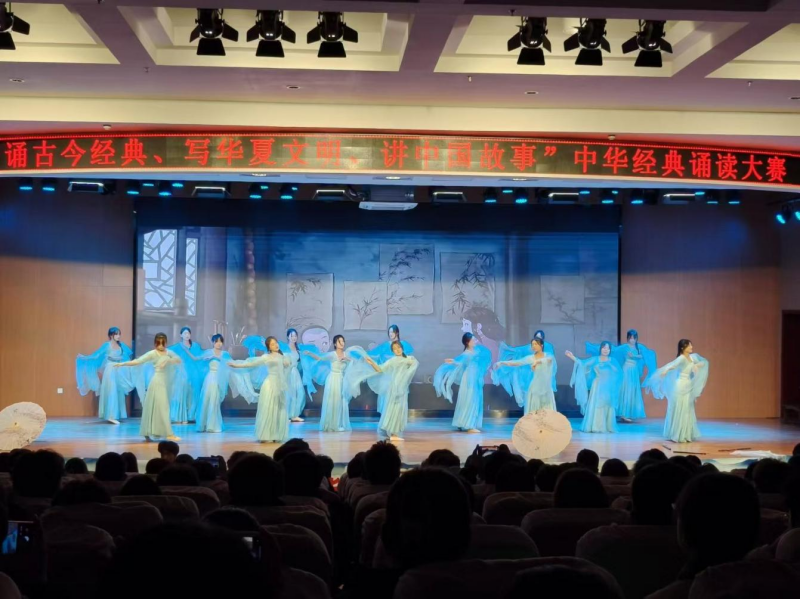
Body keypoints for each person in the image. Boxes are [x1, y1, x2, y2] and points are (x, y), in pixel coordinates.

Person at [115, 333, 182, 442]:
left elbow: (178, 359)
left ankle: (152, 432)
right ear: (155, 343)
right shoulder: (153, 353)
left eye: (163, 343)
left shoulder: (168, 352)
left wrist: (168, 360)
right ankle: (169, 434)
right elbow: (138, 361)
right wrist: (122, 364)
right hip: (157, 382)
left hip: (164, 382)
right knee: (161, 407)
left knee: (159, 408)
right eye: (158, 343)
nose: (161, 346)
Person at [644, 339, 709, 443]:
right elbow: (673, 365)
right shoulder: (682, 358)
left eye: (691, 345)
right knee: (680, 408)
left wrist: (696, 365)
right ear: (683, 347)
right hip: (680, 386)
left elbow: (704, 362)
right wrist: (665, 371)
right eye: (689, 345)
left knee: (687, 409)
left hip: (688, 385)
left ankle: (686, 434)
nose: (691, 347)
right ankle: (677, 434)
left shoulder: (692, 357)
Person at [230, 336, 292, 443]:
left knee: (278, 410)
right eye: (272, 344)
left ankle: (276, 434)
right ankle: (267, 435)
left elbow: (287, 367)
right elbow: (251, 363)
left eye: (276, 343)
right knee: (269, 409)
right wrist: (236, 365)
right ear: (269, 347)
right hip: (270, 385)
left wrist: (287, 363)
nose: (275, 345)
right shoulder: (266, 357)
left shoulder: (282, 356)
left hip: (279, 386)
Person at [305, 335, 372, 433]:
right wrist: (310, 353)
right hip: (333, 379)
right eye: (339, 341)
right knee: (333, 401)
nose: (342, 343)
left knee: (342, 401)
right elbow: (320, 358)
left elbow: (356, 363)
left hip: (342, 379)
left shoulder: (346, 354)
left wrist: (348, 360)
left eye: (343, 341)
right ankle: (332, 424)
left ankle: (340, 423)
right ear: (335, 344)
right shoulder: (332, 354)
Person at [587, 330, 656, 423]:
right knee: (626, 389)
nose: (632, 340)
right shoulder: (625, 347)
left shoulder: (638, 347)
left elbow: (643, 355)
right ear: (628, 338)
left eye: (634, 338)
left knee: (632, 390)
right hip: (627, 369)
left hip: (634, 371)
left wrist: (635, 356)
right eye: (630, 338)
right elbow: (614, 350)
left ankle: (629, 413)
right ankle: (624, 414)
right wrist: (601, 349)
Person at [75, 326, 136, 424]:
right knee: (111, 390)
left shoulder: (121, 345)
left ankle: (116, 414)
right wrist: (84, 357)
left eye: (119, 334)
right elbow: (96, 355)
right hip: (110, 370)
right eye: (116, 334)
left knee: (118, 391)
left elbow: (125, 358)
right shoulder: (107, 345)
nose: (118, 336)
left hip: (118, 370)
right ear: (111, 335)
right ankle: (111, 415)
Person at [434, 333, 492, 433]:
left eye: (474, 339)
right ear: (467, 342)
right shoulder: (466, 354)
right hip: (469, 378)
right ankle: (469, 425)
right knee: (470, 399)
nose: (475, 341)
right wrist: (453, 362)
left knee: (471, 399)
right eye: (472, 340)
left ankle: (462, 422)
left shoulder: (477, 351)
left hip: (475, 377)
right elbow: (461, 363)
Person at [364, 341, 419, 441]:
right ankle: (393, 433)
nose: (397, 350)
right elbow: (380, 369)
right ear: (392, 351)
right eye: (394, 349)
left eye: (398, 347)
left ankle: (394, 432)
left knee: (400, 408)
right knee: (394, 408)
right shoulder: (392, 361)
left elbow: (414, 365)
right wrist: (371, 363)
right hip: (394, 387)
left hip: (403, 387)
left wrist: (409, 365)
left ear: (402, 348)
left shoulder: (409, 359)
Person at [566, 341, 622, 433]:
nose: (606, 350)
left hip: (608, 387)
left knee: (607, 404)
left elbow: (618, 373)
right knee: (598, 404)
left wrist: (609, 365)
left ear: (610, 350)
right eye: (604, 348)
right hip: (598, 385)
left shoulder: (613, 360)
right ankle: (596, 426)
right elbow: (583, 363)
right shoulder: (595, 359)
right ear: (600, 349)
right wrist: (572, 357)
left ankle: (608, 426)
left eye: (608, 348)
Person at [493, 337, 556, 414]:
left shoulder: (548, 355)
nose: (533, 346)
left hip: (546, 388)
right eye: (532, 344)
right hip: (535, 387)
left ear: (541, 345)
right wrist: (502, 362)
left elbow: (549, 360)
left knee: (547, 411)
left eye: (536, 344)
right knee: (534, 411)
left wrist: (537, 362)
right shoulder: (531, 358)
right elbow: (517, 362)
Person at [188, 334, 235, 433]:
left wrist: (216, 357)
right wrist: (187, 350)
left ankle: (213, 425)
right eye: (216, 341)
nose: (219, 343)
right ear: (213, 342)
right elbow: (196, 359)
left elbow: (230, 364)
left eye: (220, 341)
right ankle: (204, 424)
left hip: (219, 378)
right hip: (210, 378)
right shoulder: (208, 352)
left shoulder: (224, 354)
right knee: (206, 400)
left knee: (215, 400)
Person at [497, 329, 558, 399]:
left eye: (539, 339)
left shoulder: (548, 349)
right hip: (533, 382)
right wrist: (502, 362)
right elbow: (518, 360)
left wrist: (539, 362)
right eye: (536, 339)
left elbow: (550, 359)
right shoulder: (531, 354)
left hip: (544, 383)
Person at [368, 325, 415, 414]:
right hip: (388, 375)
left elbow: (408, 360)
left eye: (392, 332)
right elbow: (375, 355)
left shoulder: (403, 345)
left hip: (400, 376)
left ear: (397, 333)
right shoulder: (386, 345)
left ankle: (397, 416)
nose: (390, 334)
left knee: (399, 398)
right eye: (389, 332)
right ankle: (387, 415)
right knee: (387, 396)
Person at [167, 327, 205, 424]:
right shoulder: (177, 347)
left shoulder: (195, 346)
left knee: (194, 393)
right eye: (185, 333)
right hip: (182, 373)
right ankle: (179, 416)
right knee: (181, 393)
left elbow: (200, 357)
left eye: (188, 333)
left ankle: (191, 415)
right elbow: (168, 353)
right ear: (181, 335)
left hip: (194, 373)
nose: (187, 335)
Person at [279, 328, 317, 423]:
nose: (294, 337)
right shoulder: (284, 348)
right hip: (287, 373)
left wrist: (308, 354)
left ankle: (294, 415)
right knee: (288, 394)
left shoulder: (298, 349)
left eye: (295, 335)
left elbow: (305, 360)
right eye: (292, 336)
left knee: (300, 393)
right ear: (288, 337)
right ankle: (285, 416)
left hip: (295, 373)